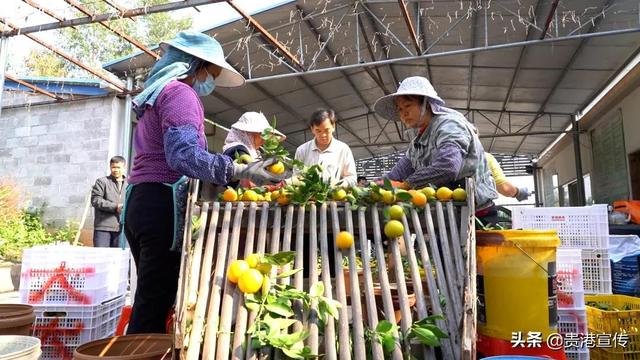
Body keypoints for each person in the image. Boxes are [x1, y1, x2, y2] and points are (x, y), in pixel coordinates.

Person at [123, 31, 287, 335]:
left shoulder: (156, 95)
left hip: (139, 202)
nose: (209, 82)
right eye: (209, 73)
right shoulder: (180, 94)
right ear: (194, 66)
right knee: (153, 305)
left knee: (150, 298)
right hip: (163, 205)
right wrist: (241, 170)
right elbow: (183, 156)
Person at [373, 76, 498, 218]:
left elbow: (448, 166)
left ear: (426, 104)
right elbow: (395, 176)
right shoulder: (417, 144)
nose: (403, 113)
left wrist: (407, 185)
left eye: (407, 106)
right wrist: (372, 187)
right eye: (400, 109)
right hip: (449, 215)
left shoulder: (449, 126)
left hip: (477, 215)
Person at [294, 109, 357, 187]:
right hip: (308, 198)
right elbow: (296, 177)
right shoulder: (302, 150)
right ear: (312, 129)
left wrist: (337, 185)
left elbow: (352, 179)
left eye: (327, 130)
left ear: (333, 127)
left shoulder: (343, 149)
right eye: (318, 131)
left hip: (335, 197)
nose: (323, 135)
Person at [222, 112, 286, 188]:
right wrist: (283, 183)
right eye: (261, 134)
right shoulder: (238, 150)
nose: (264, 139)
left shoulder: (257, 152)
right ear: (248, 133)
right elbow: (251, 184)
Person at [91, 156, 127, 248]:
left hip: (122, 228)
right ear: (110, 167)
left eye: (118, 167)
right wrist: (115, 207)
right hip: (103, 227)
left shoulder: (129, 184)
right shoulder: (102, 182)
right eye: (113, 167)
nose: (115, 170)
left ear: (124, 167)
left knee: (118, 258)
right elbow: (95, 200)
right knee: (101, 257)